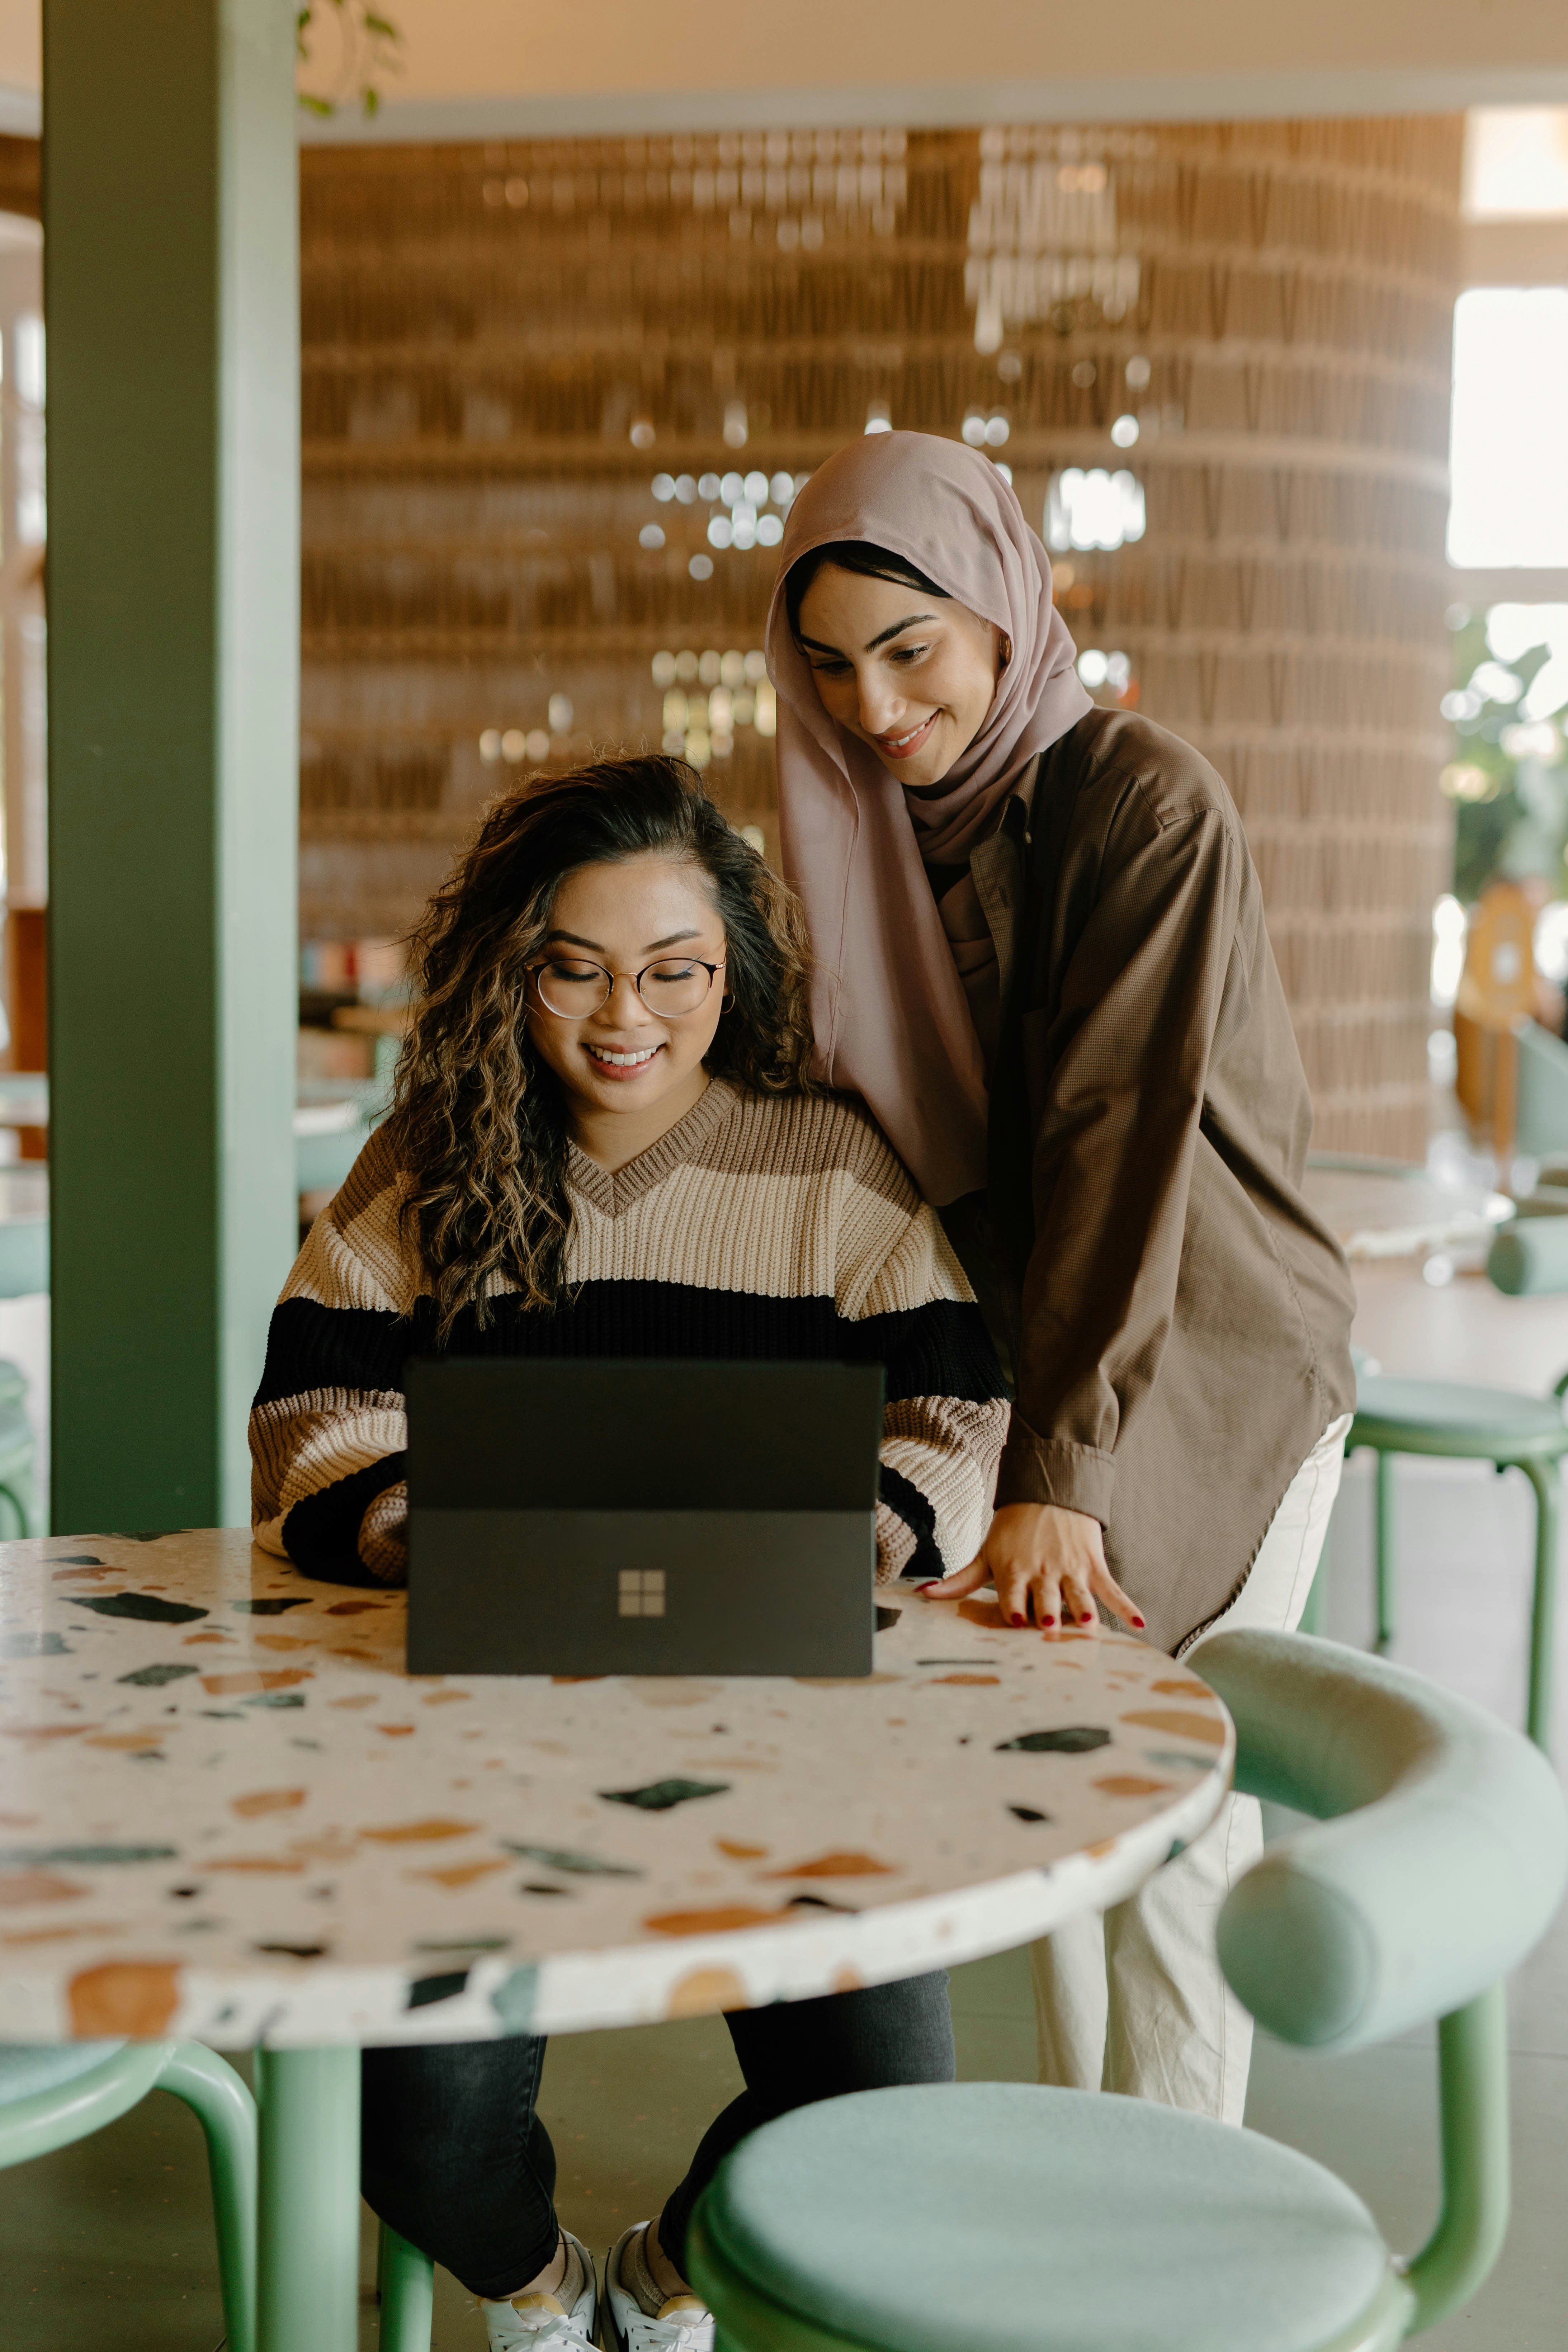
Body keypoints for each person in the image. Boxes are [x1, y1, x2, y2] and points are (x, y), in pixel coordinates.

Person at [249, 755, 1008, 2352]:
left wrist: (872, 1521)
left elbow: (953, 1403)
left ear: (734, 969)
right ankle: (540, 2294)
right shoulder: (432, 1153)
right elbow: (312, 1400)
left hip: (780, 1721)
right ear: (509, 968)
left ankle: (665, 2279)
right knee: (411, 2126)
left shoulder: (827, 1161)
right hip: (458, 1727)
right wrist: (406, 1522)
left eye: (676, 970)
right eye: (572, 967)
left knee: (879, 2106)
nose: (624, 1017)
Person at [767, 430, 1357, 2127]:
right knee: (1054, 1786)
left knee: (1165, 1784)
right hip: (1042, 1351)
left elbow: (1114, 1137)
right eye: (827, 665)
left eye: (908, 648)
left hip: (1214, 1352)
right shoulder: (870, 835)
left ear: (1005, 611)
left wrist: (1060, 1473)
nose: (872, 706)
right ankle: (1070, 2166)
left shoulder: (1140, 799)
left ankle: (1172, 2216)